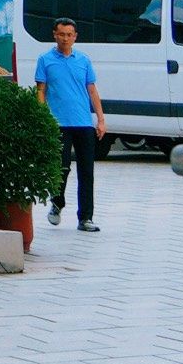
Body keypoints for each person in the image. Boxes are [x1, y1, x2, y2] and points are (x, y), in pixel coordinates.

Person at [35, 16, 106, 230]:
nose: (65, 39)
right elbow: (41, 90)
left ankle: (85, 218)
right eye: (61, 34)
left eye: (69, 35)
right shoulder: (45, 60)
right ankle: (57, 202)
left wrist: (100, 119)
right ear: (54, 35)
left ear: (75, 37)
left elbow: (92, 90)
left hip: (83, 122)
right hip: (58, 123)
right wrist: (42, 117)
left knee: (87, 171)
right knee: (61, 168)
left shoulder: (83, 60)